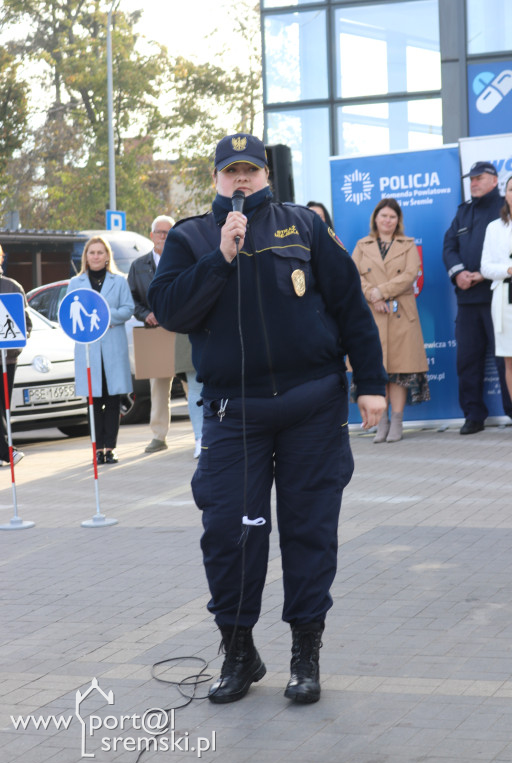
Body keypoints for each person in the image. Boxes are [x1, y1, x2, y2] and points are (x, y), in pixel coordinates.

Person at [148, 132, 387, 706]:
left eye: (250, 170)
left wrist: (373, 384)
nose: (242, 180)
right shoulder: (191, 237)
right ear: (215, 180)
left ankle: (306, 651)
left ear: (266, 176)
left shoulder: (302, 226)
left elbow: (349, 305)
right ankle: (238, 649)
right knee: (229, 533)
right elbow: (172, 309)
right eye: (231, 171)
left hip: (312, 404)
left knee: (309, 529)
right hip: (235, 413)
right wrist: (221, 257)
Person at [352, 198, 430, 443]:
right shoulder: (362, 245)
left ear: (398, 221)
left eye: (392, 217)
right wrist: (372, 296)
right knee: (378, 370)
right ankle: (381, 422)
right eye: (383, 216)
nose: (387, 220)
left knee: (399, 371)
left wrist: (381, 292)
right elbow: (353, 275)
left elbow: (410, 275)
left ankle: (397, 421)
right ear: (375, 218)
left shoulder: (407, 244)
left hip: (400, 314)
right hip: (372, 314)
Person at [443, 160, 512, 434]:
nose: (473, 183)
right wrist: (459, 273)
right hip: (467, 299)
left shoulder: (503, 212)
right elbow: (449, 246)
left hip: (498, 297)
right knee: (467, 360)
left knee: (506, 358)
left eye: (479, 178)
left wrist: (484, 275)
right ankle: (473, 415)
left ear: (495, 181)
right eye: (471, 179)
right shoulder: (463, 212)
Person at [128, 216, 203, 458]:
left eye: (169, 232)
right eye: (160, 232)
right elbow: (133, 301)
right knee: (159, 387)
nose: (164, 237)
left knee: (191, 384)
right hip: (156, 333)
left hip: (183, 330)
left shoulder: (186, 260)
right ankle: (158, 436)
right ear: (151, 235)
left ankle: (199, 435)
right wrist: (146, 314)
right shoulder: (139, 265)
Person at [66, 236, 134, 465]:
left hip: (113, 349)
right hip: (89, 351)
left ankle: (110, 448)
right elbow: (67, 313)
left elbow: (128, 309)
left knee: (113, 401)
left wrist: (106, 316)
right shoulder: (76, 283)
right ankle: (97, 449)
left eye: (100, 252)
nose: (95, 256)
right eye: (91, 252)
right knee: (94, 402)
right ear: (86, 257)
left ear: (107, 256)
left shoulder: (120, 281)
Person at [481, 175, 512, 402]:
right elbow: (486, 268)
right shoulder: (494, 227)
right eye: (511, 189)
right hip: (503, 300)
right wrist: (508, 270)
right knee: (509, 359)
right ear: (505, 195)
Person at [0, 245, 32, 467]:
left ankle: (6, 452)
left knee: (3, 407)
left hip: (6, 360)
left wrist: (13, 346)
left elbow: (26, 325)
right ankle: (7, 452)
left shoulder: (12, 287)